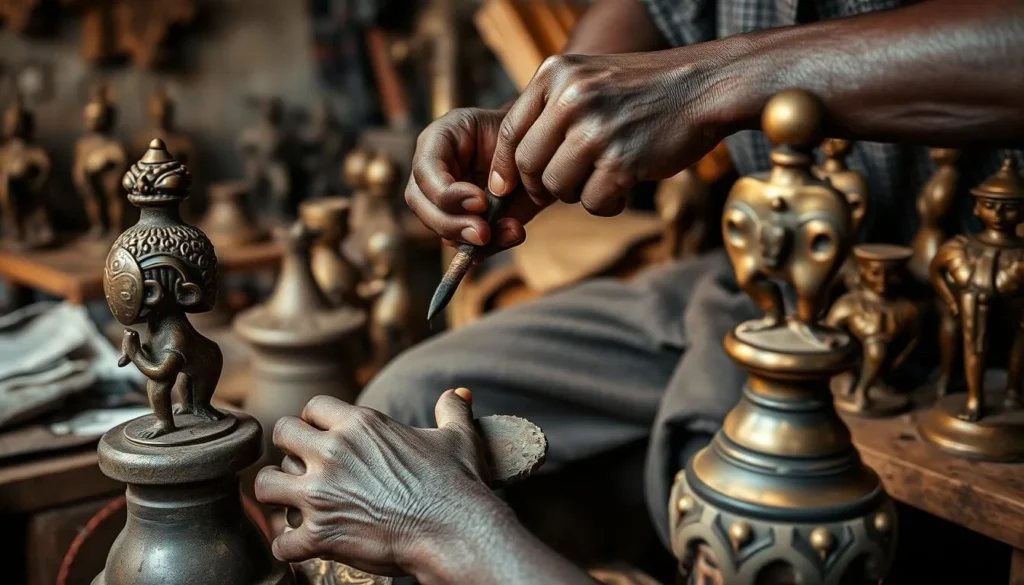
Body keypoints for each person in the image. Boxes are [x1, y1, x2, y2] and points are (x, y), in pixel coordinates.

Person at [256, 0, 1024, 581]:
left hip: (985, 316)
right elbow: (654, 6)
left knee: (745, 515)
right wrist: (538, 125)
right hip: (761, 277)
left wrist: (715, 78)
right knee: (408, 398)